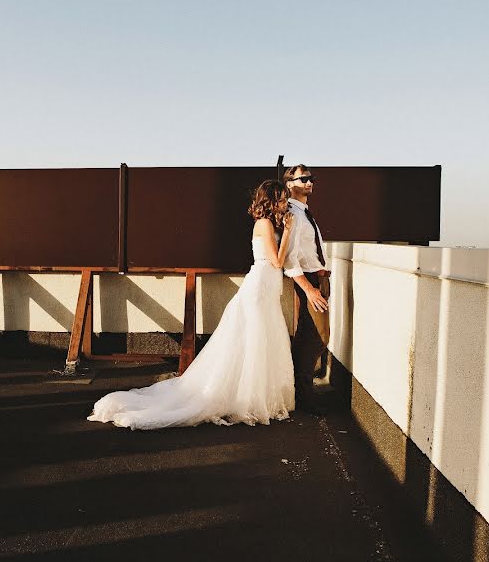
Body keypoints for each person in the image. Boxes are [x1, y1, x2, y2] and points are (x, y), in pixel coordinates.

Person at [87, 180, 296, 430]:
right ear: (270, 201)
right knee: (253, 344)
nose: (285, 203)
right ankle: (245, 399)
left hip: (268, 291)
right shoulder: (263, 224)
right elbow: (276, 261)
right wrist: (289, 232)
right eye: (281, 199)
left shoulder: (271, 224)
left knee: (261, 344)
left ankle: (258, 397)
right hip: (259, 289)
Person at [281, 164, 331, 413]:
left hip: (318, 277)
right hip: (309, 280)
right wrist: (310, 289)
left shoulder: (304, 213)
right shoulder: (295, 214)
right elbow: (290, 259)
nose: (309, 182)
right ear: (290, 184)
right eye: (303, 179)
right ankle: (303, 396)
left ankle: (301, 393)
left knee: (309, 335)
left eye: (311, 178)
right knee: (316, 337)